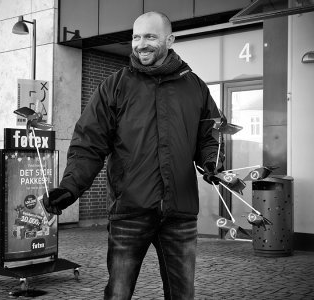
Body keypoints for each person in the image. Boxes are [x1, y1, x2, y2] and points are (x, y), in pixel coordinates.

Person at [43, 11, 224, 300]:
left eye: (150, 36)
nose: (141, 44)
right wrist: (70, 187)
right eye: (136, 37)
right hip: (130, 211)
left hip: (180, 213)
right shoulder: (114, 86)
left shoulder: (195, 87)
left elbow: (209, 136)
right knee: (118, 293)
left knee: (183, 295)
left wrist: (212, 163)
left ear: (170, 39)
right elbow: (89, 143)